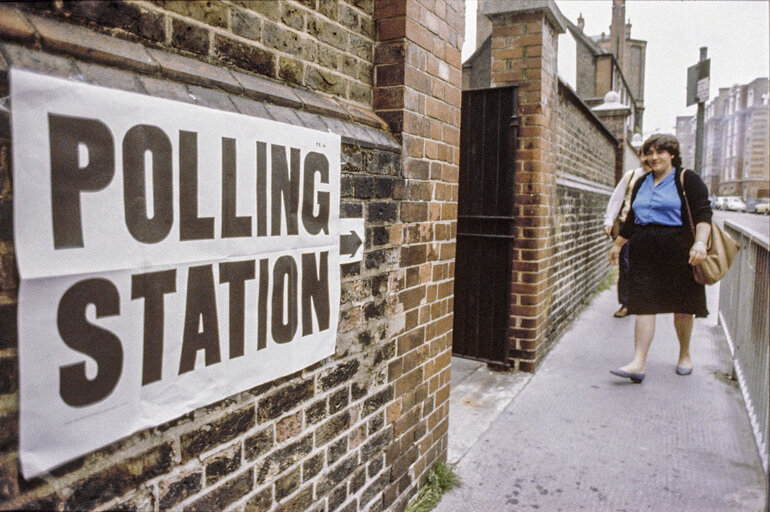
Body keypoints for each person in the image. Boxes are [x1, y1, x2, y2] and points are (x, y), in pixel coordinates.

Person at [608, 134, 712, 383]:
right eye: (649, 152)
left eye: (660, 152)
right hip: (644, 250)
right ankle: (638, 363)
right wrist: (618, 245)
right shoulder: (642, 182)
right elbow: (632, 219)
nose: (653, 157)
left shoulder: (687, 178)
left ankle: (685, 355)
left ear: (672, 155)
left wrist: (699, 242)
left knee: (683, 306)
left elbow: (703, 214)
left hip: (678, 250)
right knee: (644, 303)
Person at [602, 155, 649, 318]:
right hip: (627, 227)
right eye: (644, 153)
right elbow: (617, 198)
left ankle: (642, 301)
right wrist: (609, 220)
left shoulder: (661, 177)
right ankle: (626, 303)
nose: (647, 158)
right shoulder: (631, 175)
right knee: (626, 265)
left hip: (649, 229)